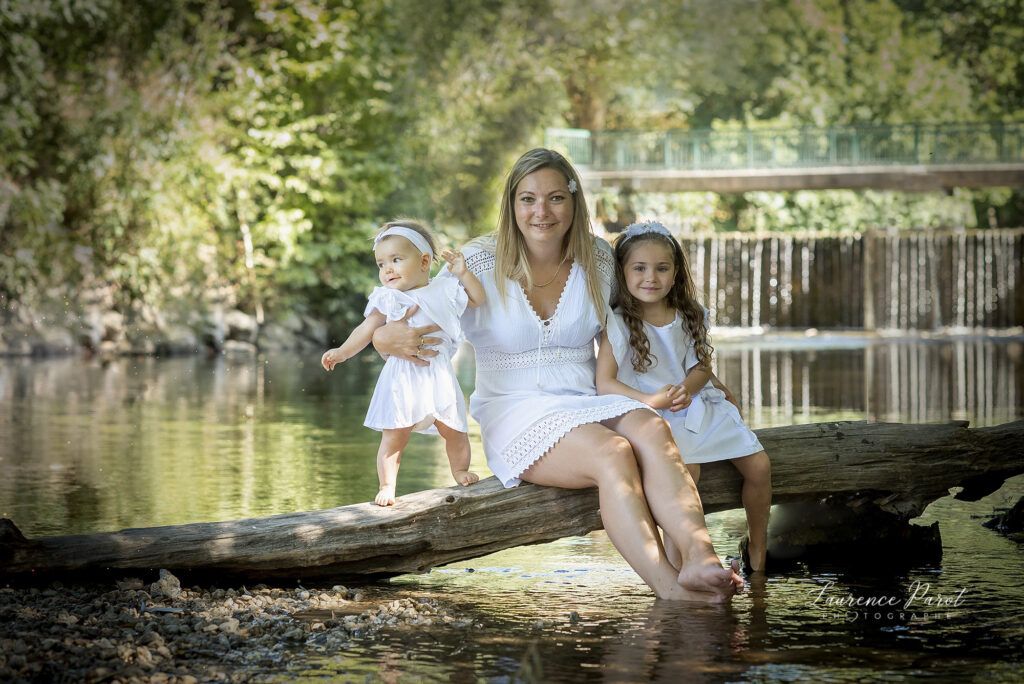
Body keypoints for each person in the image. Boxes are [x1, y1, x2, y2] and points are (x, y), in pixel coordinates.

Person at [373, 149, 744, 601]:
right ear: (512, 205)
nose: (541, 212)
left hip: (589, 398)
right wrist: (382, 340)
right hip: (514, 408)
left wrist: (705, 380)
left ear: (574, 202)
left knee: (652, 425)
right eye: (527, 199)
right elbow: (413, 311)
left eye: (554, 198)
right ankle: (670, 589)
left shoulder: (601, 260)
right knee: (614, 453)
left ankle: (701, 558)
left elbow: (650, 321)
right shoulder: (476, 262)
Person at [596, 220, 772, 573]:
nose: (651, 277)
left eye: (662, 268)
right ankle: (679, 565)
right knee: (686, 474)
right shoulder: (617, 323)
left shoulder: (689, 315)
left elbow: (701, 368)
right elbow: (606, 384)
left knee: (760, 466)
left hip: (694, 404)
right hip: (650, 414)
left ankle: (758, 547)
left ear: (675, 273)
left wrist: (687, 390)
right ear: (623, 273)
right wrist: (650, 401)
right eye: (640, 268)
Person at [321, 220, 485, 506]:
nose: (388, 269)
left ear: (424, 261)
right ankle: (387, 485)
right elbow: (366, 329)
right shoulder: (388, 298)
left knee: (456, 431)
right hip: (401, 379)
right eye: (381, 263)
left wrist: (463, 272)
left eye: (396, 260)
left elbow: (478, 298)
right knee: (394, 438)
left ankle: (459, 470)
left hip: (439, 377)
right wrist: (343, 352)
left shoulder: (445, 289)